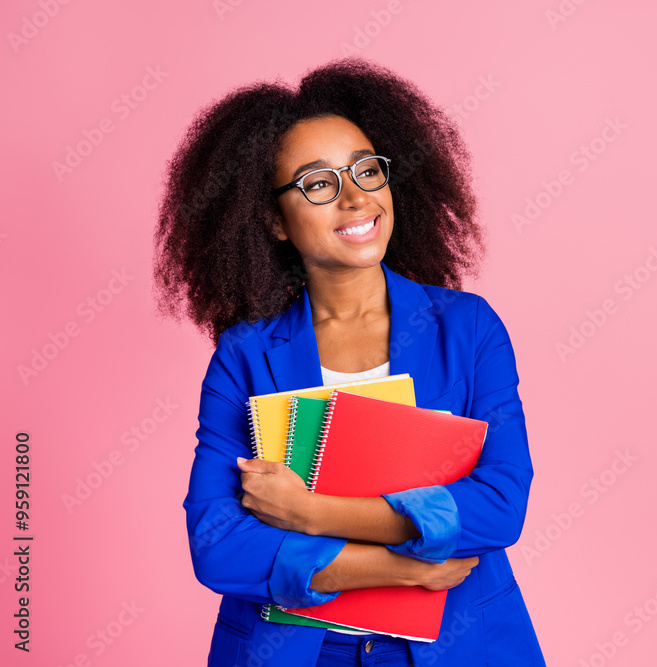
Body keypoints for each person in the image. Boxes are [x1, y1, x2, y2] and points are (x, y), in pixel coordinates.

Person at [153, 58, 546, 666]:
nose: (356, 197)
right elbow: (218, 544)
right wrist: (400, 567)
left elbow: (499, 506)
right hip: (293, 650)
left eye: (367, 170)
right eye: (317, 183)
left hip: (458, 645)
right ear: (273, 220)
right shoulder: (245, 355)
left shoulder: (468, 329)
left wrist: (308, 511)